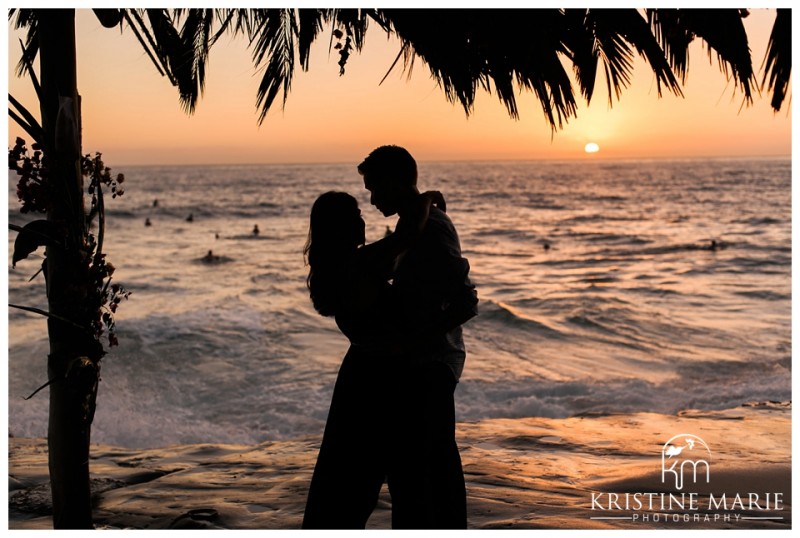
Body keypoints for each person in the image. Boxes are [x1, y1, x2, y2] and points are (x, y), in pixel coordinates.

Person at [302, 189, 450, 529]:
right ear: (339, 226)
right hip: (376, 378)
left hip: (362, 373)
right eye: (353, 214)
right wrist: (426, 199)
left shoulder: (341, 266)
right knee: (361, 477)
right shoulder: (358, 263)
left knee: (349, 478)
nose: (361, 219)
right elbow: (408, 234)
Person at [358, 145, 477, 529]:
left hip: (432, 362)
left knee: (428, 464)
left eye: (375, 188)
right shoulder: (415, 225)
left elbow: (465, 301)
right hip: (423, 361)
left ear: (396, 181)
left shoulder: (431, 228)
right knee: (425, 464)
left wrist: (408, 343)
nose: (372, 199)